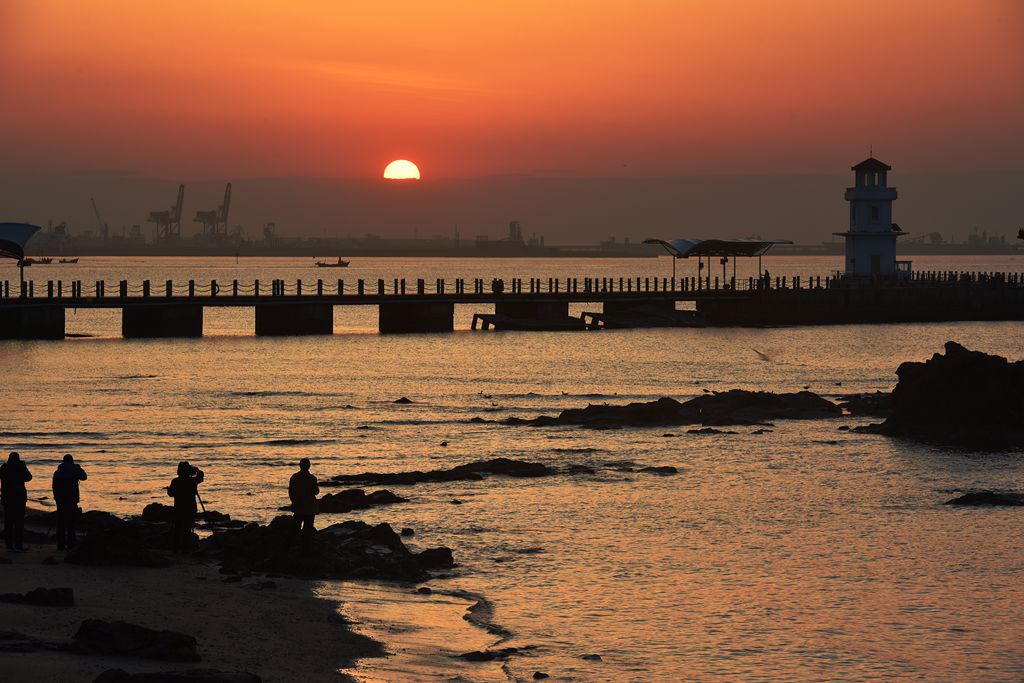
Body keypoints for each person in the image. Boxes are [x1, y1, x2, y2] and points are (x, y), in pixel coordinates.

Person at [52, 454, 88, 550]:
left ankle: (60, 545)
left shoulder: (58, 472)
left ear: (63, 461)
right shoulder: (75, 470)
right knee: (71, 523)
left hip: (61, 500)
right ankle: (71, 544)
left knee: (61, 523)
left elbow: (54, 486)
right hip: (72, 499)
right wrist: (78, 468)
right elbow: (84, 477)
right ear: (72, 461)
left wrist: (56, 498)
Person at [167, 461, 204, 554]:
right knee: (187, 529)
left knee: (178, 529)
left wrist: (169, 489)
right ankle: (185, 549)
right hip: (190, 507)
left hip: (179, 507)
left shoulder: (175, 481)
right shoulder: (192, 481)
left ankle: (175, 549)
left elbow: (170, 494)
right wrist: (197, 469)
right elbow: (201, 476)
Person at [285, 458, 319, 555]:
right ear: (309, 466)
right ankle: (306, 550)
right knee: (308, 530)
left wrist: (293, 502)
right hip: (309, 507)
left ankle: (287, 547)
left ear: (300, 465)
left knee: (294, 529)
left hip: (298, 506)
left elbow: (290, 492)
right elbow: (316, 491)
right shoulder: (312, 478)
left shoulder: (294, 477)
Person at [1, 452, 33, 551]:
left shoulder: (4, 467)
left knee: (8, 521)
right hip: (19, 497)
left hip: (7, 497)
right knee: (19, 521)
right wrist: (22, 466)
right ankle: (18, 545)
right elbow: (29, 477)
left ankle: (9, 545)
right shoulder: (20, 466)